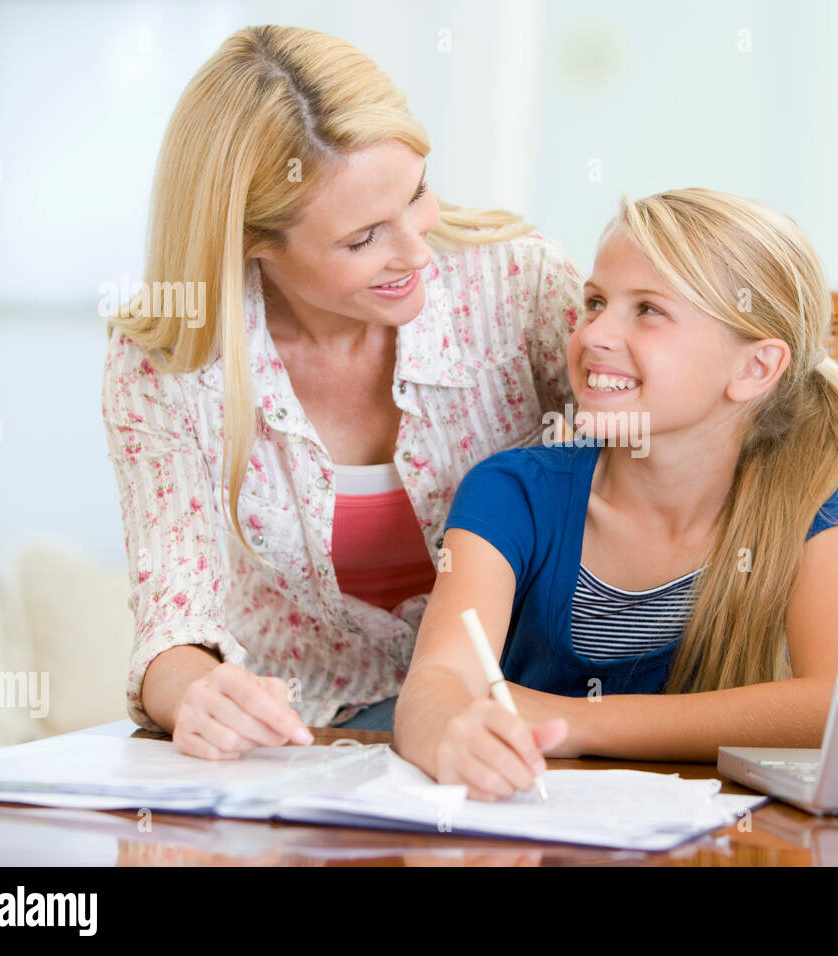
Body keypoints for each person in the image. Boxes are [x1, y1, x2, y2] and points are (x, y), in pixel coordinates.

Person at [101, 25, 581, 759]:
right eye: (362, 239)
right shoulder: (168, 358)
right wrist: (196, 693)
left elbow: (680, 451)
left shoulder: (518, 287)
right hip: (308, 739)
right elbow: (174, 618)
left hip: (529, 716)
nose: (418, 251)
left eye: (418, 194)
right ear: (254, 241)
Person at [394, 188, 838, 800]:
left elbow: (832, 704)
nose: (595, 333)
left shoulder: (799, 494)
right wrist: (449, 735)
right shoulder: (511, 492)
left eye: (648, 309)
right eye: (595, 303)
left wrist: (574, 723)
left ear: (754, 368)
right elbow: (438, 680)